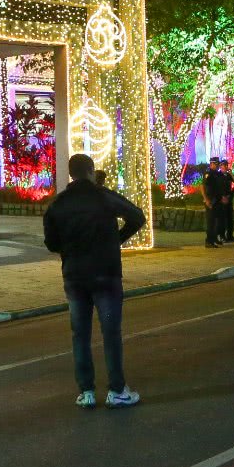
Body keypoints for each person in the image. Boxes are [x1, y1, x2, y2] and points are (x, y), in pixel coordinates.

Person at [43, 152, 146, 409]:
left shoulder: (58, 204)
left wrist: (69, 249)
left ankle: (87, 391)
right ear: (90, 171)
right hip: (106, 273)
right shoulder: (104, 196)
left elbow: (51, 242)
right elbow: (137, 216)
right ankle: (117, 390)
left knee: (80, 334)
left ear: (71, 174)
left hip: (75, 275)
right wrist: (117, 239)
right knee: (111, 332)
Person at [202, 158, 230, 248]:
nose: (217, 166)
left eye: (218, 164)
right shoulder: (208, 174)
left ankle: (215, 238)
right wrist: (206, 199)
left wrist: (223, 197)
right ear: (211, 164)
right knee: (211, 222)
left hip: (218, 200)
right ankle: (209, 241)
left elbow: (220, 187)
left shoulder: (218, 174)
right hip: (211, 200)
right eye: (216, 164)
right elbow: (203, 187)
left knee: (219, 221)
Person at [220, 159, 234, 242]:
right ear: (220, 166)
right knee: (223, 219)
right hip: (222, 200)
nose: (226, 167)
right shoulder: (218, 175)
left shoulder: (228, 175)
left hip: (229, 199)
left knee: (230, 219)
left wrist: (231, 173)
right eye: (224, 165)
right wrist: (222, 197)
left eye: (226, 165)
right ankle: (222, 236)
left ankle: (230, 236)